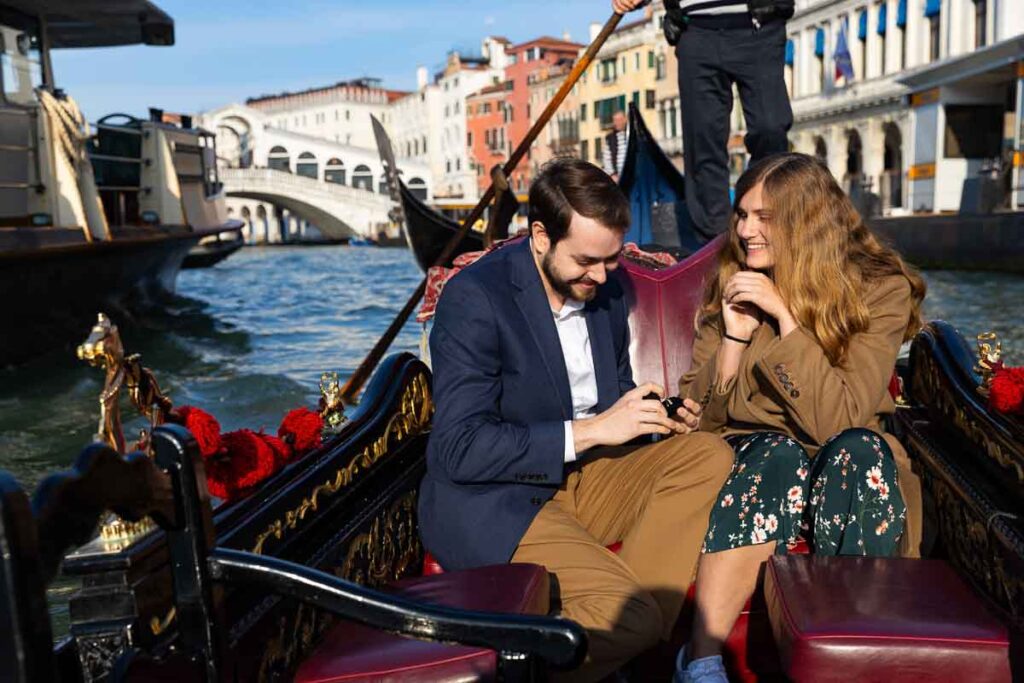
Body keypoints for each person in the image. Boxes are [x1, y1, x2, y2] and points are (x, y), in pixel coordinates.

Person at [420, 158, 735, 682]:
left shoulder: (603, 287)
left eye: (612, 259)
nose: (604, 274)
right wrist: (592, 432)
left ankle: (617, 636)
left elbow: (609, 393)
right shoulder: (476, 299)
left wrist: (655, 415)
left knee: (708, 455)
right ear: (540, 236)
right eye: (588, 260)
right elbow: (458, 448)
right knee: (635, 615)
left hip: (587, 476)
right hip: (498, 497)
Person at [672, 153, 926, 682]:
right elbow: (698, 423)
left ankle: (849, 663)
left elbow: (843, 419)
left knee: (860, 450)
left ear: (806, 221)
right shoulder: (732, 278)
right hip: (754, 456)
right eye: (741, 215)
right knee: (775, 453)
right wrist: (735, 344)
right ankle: (699, 661)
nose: (745, 230)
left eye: (763, 217)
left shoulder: (881, 288)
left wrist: (786, 319)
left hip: (846, 454)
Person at [613, 0, 794, 243]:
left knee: (770, 129)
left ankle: (764, 223)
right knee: (702, 146)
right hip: (694, 29)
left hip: (760, 22)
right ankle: (716, 247)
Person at [602, 109, 629, 182]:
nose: (617, 123)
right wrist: (613, 174)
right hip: (617, 177)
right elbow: (606, 160)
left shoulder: (633, 135)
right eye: (615, 120)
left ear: (625, 119)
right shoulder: (610, 138)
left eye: (619, 120)